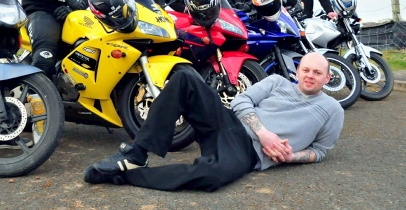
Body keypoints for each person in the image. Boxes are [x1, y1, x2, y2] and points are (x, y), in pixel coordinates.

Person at [83, 52, 344, 192]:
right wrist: (264, 132)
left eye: (317, 72)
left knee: (211, 178)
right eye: (305, 70)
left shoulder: (332, 110)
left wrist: (290, 157)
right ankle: (136, 153)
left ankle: (126, 176)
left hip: (247, 153)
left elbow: (320, 151)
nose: (310, 76)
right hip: (228, 124)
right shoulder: (277, 82)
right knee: (185, 78)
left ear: (327, 77)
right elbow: (241, 102)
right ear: (298, 71)